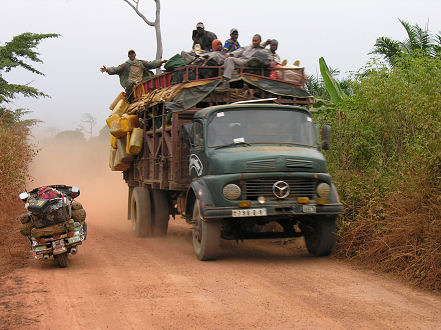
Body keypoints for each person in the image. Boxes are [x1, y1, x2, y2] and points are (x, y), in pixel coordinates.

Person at [100, 49, 166, 101]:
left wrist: (160, 62)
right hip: (131, 80)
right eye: (130, 54)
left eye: (133, 54)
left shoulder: (141, 62)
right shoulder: (125, 65)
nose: (132, 55)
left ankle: (157, 91)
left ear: (135, 54)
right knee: (129, 83)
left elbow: (151, 64)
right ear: (128, 56)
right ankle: (129, 99)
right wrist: (107, 69)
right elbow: (116, 69)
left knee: (153, 78)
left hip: (141, 79)